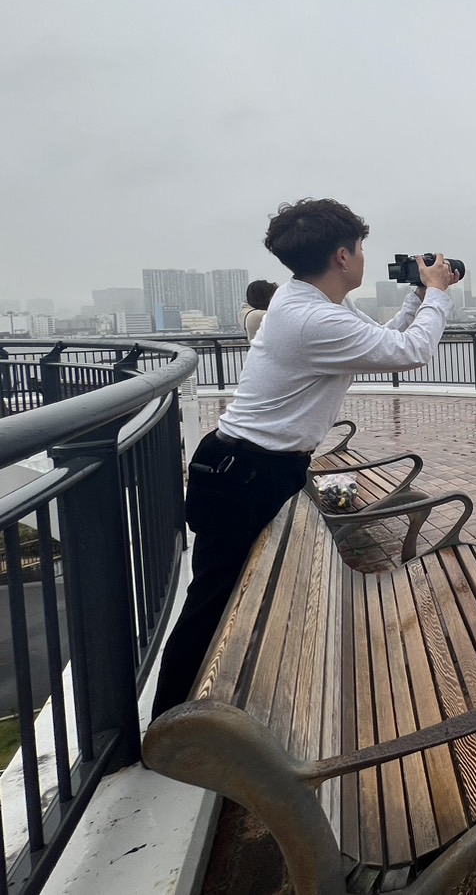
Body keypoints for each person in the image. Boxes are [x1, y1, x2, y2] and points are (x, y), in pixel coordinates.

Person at [152, 198, 459, 717]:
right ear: (343, 256)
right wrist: (436, 294)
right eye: (360, 248)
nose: (363, 257)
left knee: (221, 594)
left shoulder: (314, 304)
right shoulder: (313, 319)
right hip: (246, 472)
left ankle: (194, 714)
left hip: (252, 467)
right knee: (210, 602)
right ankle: (166, 730)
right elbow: (410, 353)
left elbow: (386, 340)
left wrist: (417, 298)